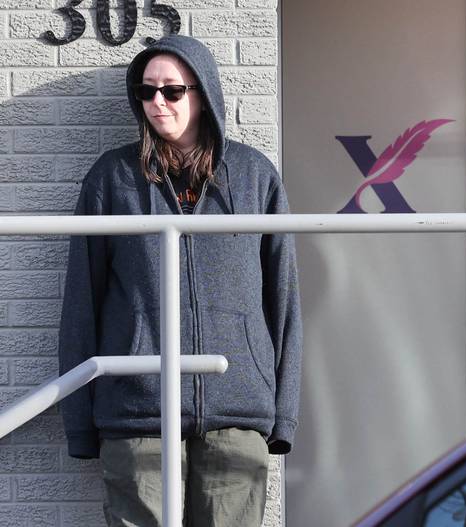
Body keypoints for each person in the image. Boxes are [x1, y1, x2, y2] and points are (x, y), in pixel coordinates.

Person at [58, 35, 302, 526]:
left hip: (236, 406)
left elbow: (283, 299)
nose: (157, 103)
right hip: (137, 410)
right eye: (147, 92)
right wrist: (80, 422)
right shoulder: (113, 179)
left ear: (203, 91)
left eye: (172, 91)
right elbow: (82, 302)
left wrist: (282, 412)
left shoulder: (254, 176)